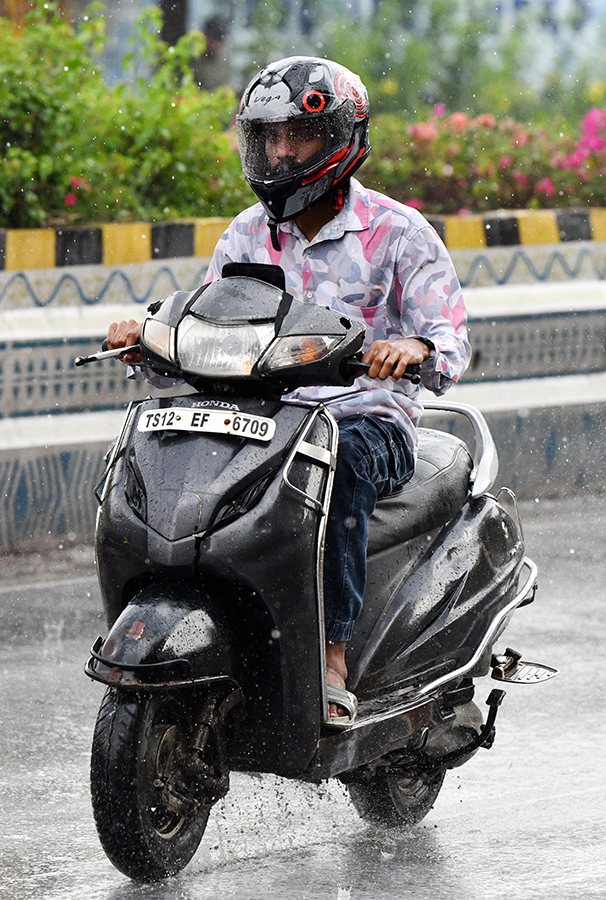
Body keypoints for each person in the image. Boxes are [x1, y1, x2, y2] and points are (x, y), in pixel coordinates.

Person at [107, 56, 471, 726]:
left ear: (338, 137)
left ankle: (331, 657)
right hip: (261, 419)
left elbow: (448, 344)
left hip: (365, 422)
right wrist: (147, 341)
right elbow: (201, 339)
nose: (279, 152)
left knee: (335, 474)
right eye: (268, 137)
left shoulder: (399, 232)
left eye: (295, 138)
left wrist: (413, 349)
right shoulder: (245, 233)